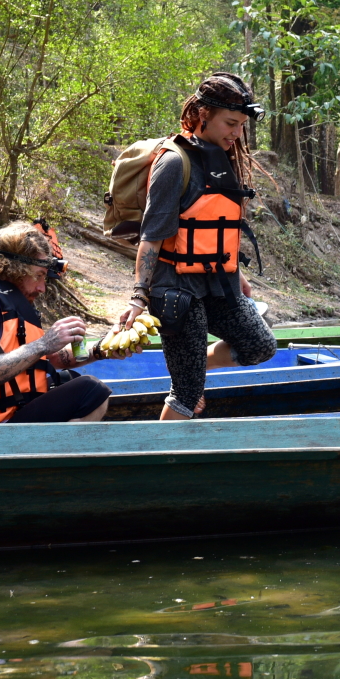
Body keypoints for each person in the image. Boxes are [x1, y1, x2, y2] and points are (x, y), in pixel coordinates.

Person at [117, 72, 279, 420]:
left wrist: (236, 272)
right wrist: (138, 296)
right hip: (175, 289)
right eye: (230, 124)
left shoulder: (222, 157)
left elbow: (220, 221)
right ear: (204, 115)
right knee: (187, 394)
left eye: (241, 126)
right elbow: (152, 236)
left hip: (217, 281)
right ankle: (161, 463)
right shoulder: (174, 162)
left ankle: (192, 365)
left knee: (260, 345)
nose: (237, 134)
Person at [0, 221, 110, 423]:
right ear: (14, 269)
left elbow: (50, 359)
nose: (42, 288)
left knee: (81, 387)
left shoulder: (12, 305)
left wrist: (102, 349)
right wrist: (43, 344)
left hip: (13, 413)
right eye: (39, 276)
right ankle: (57, 454)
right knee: (91, 390)